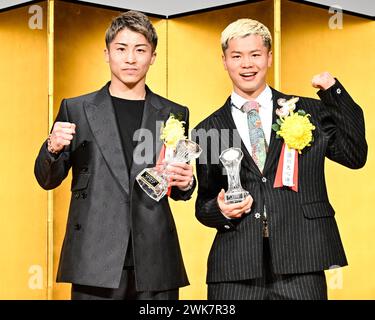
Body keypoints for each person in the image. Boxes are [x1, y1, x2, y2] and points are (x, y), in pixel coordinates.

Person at [193, 18, 367, 300]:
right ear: (224, 60)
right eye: (237, 56)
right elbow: (204, 203)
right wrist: (220, 210)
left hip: (302, 260)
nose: (247, 64)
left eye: (255, 54)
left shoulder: (308, 110)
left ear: (269, 57)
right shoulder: (207, 129)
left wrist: (334, 91)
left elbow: (354, 154)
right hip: (235, 268)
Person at [34, 11, 195, 300]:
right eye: (121, 49)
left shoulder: (174, 113)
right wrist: (52, 148)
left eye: (140, 50)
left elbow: (177, 187)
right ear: (107, 53)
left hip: (156, 258)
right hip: (95, 258)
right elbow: (47, 179)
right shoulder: (77, 109)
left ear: (153, 57)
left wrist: (185, 184)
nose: (130, 59)